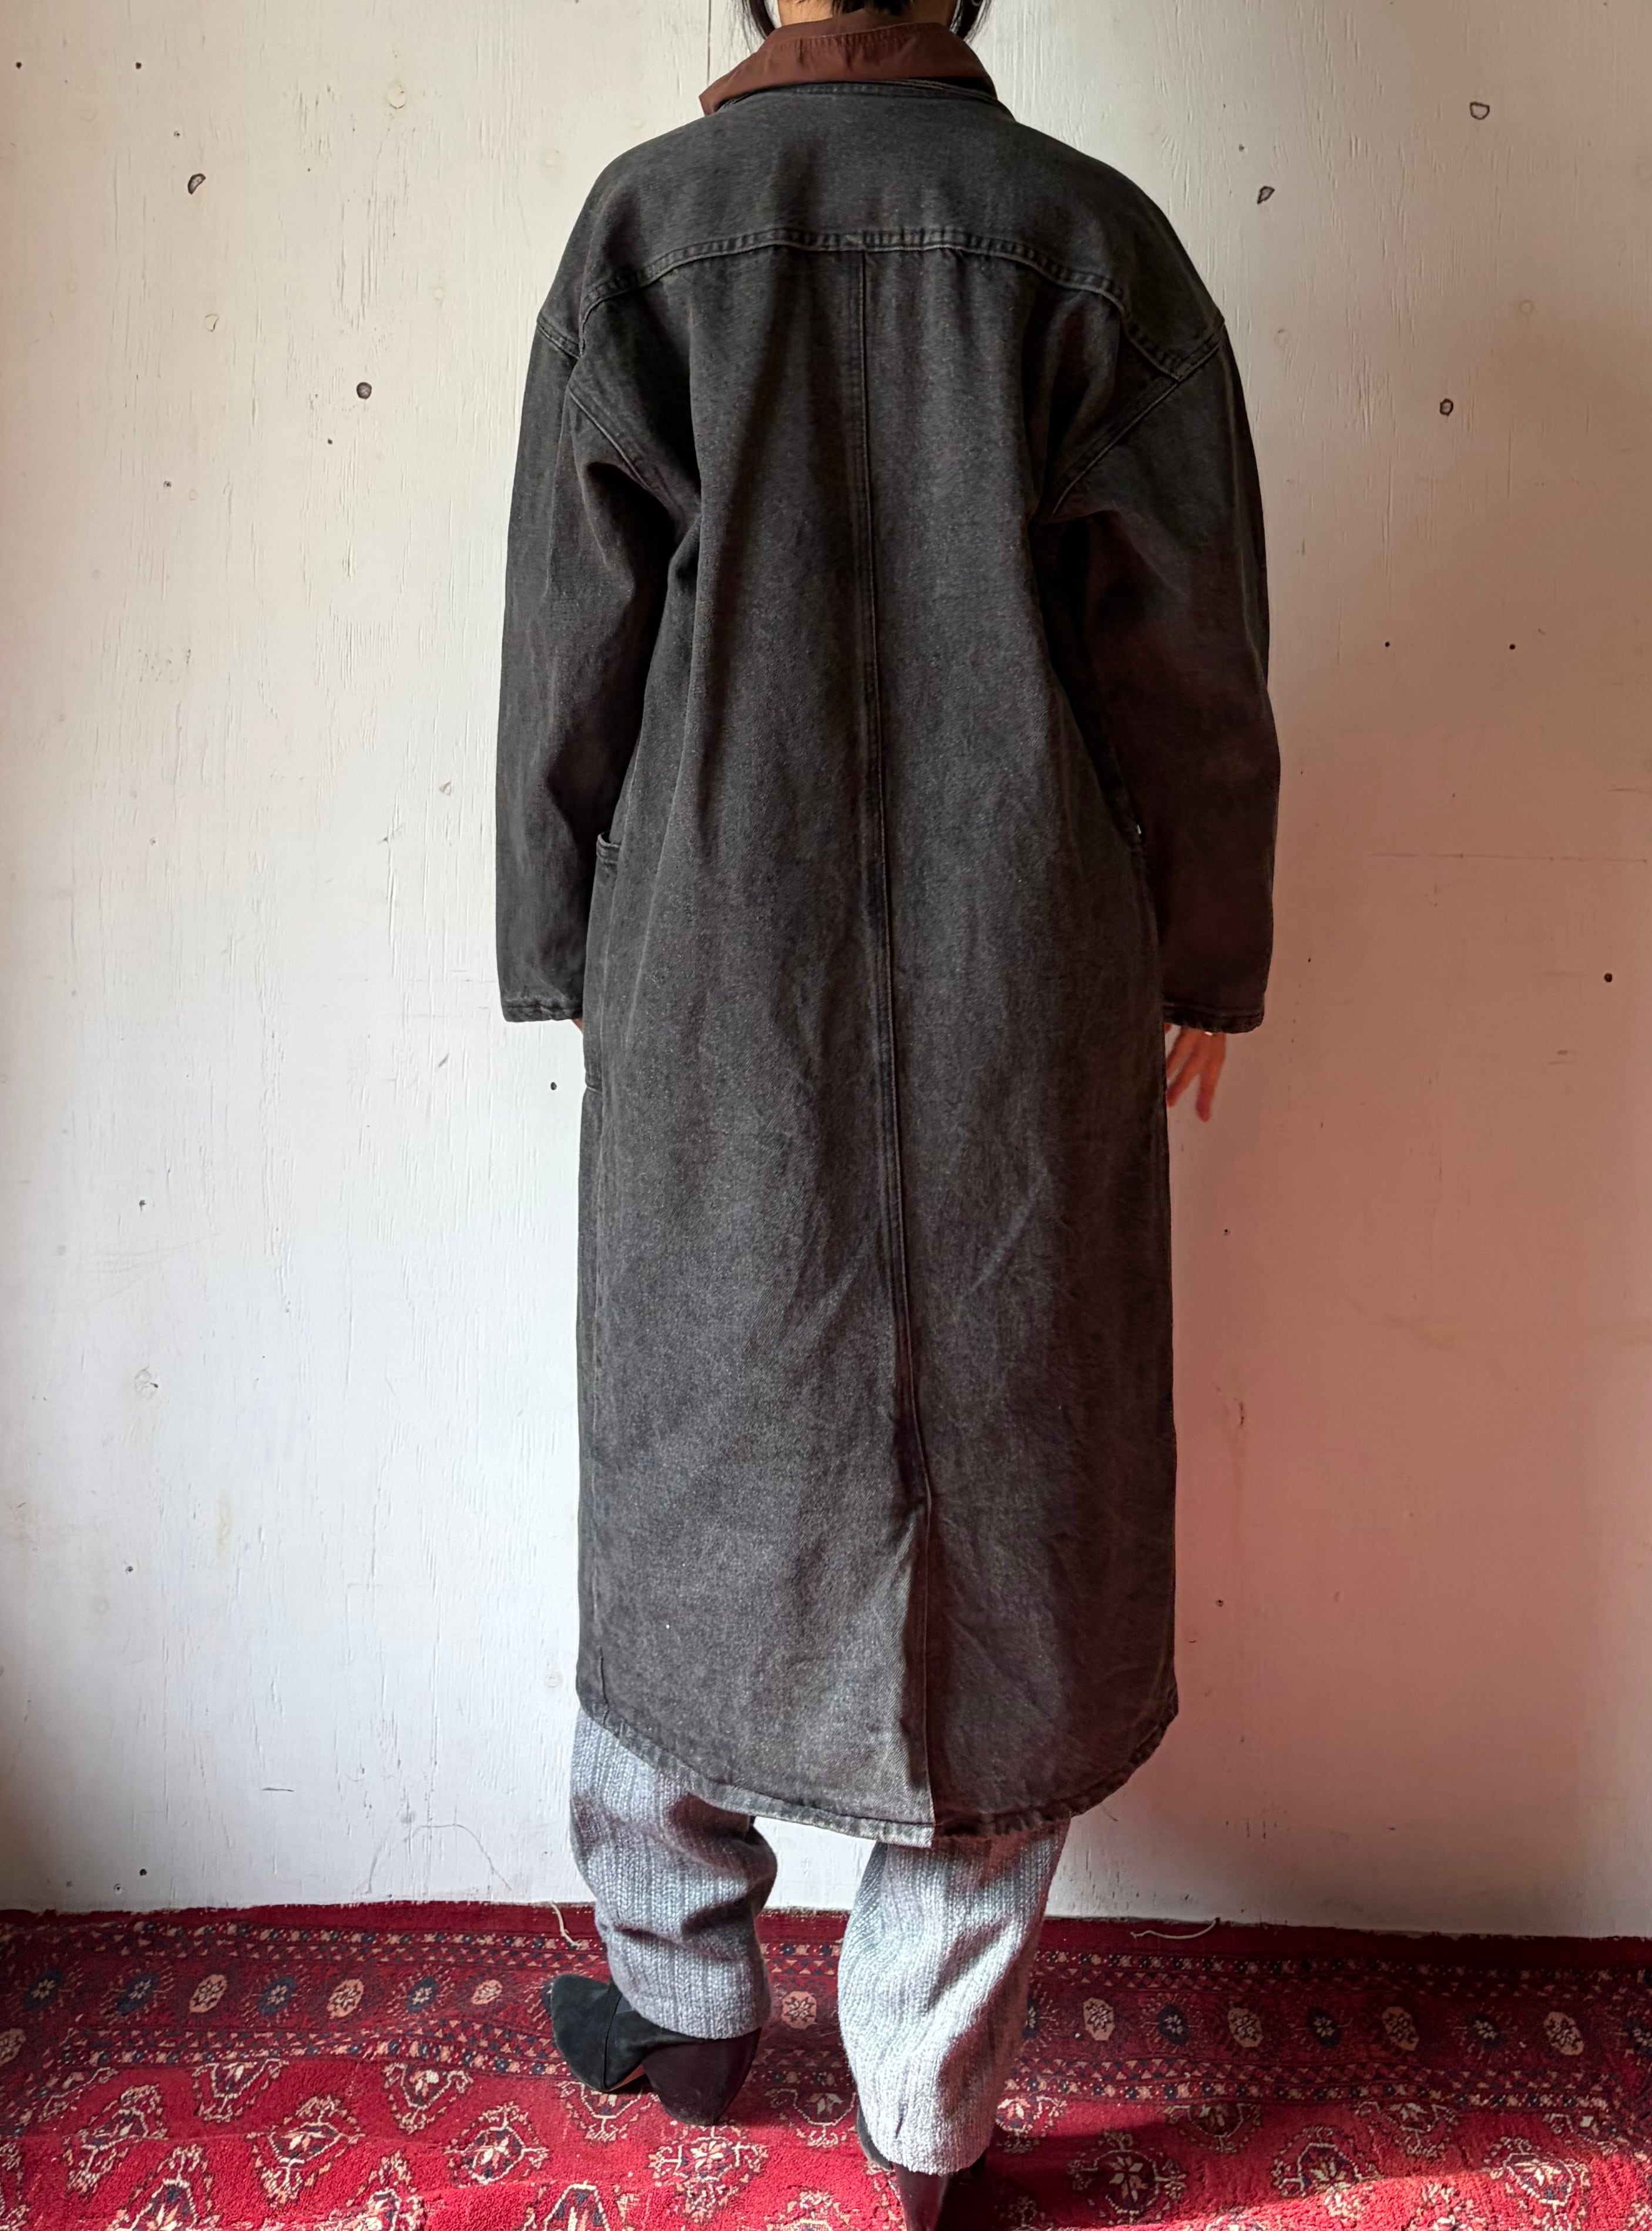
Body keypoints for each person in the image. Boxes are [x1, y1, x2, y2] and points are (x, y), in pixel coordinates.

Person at [496, 0, 1280, 2221]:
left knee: (686, 1455)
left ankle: (683, 1997)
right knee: (1010, 1506)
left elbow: (570, 642)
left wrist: (564, 943)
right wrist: (1205, 953)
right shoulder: (1094, 243)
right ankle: (927, 2118)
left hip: (713, 972)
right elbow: (1192, 660)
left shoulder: (649, 231)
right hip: (1028, 966)